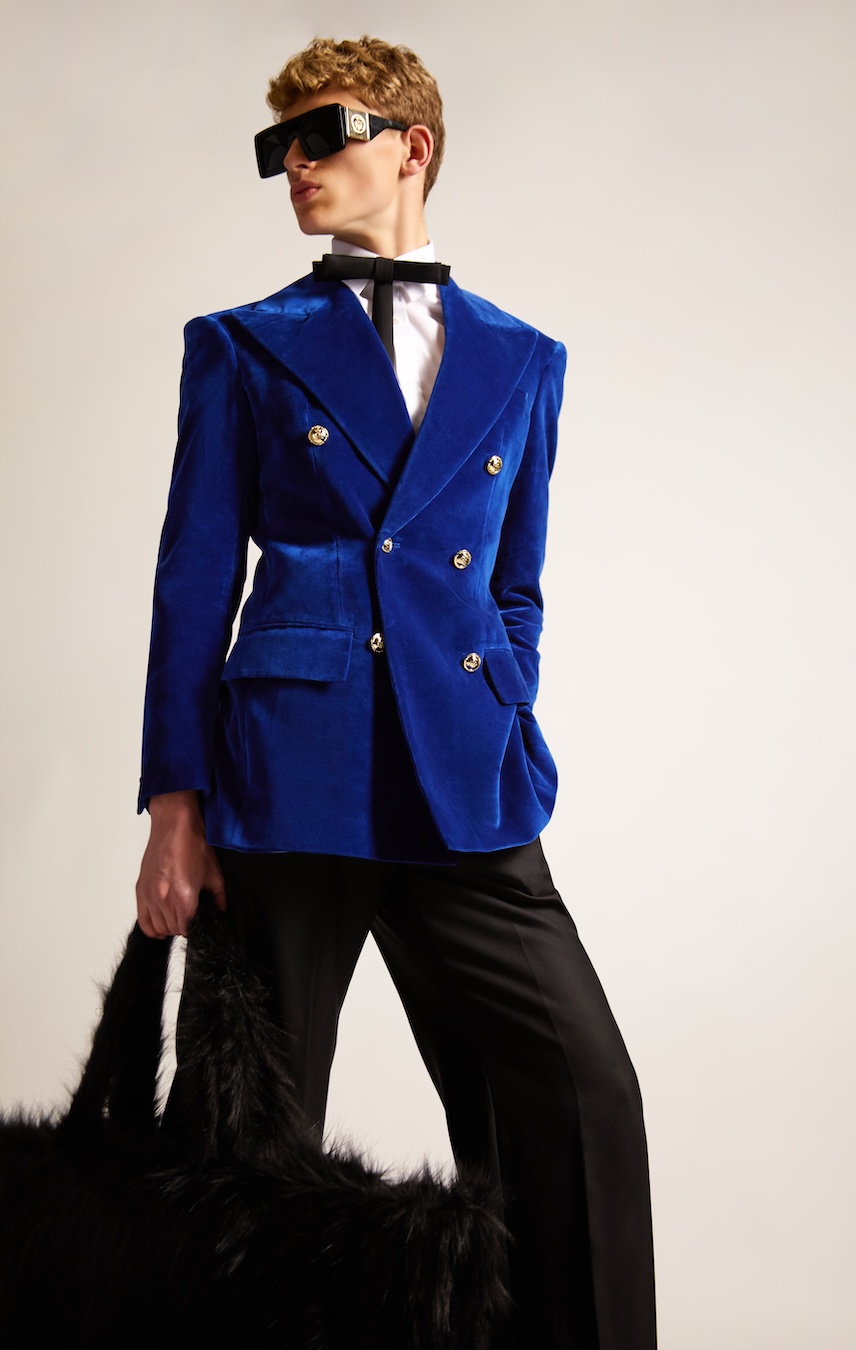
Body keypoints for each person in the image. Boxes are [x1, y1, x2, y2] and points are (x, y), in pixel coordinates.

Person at [135, 35, 656, 1350]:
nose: (294, 165)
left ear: (412, 146)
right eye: (278, 147)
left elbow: (517, 582)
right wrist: (175, 809)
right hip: (286, 779)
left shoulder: (525, 359)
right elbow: (193, 582)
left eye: (321, 135)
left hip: (464, 783)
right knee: (245, 1143)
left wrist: (501, 696)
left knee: (581, 1100)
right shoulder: (243, 346)